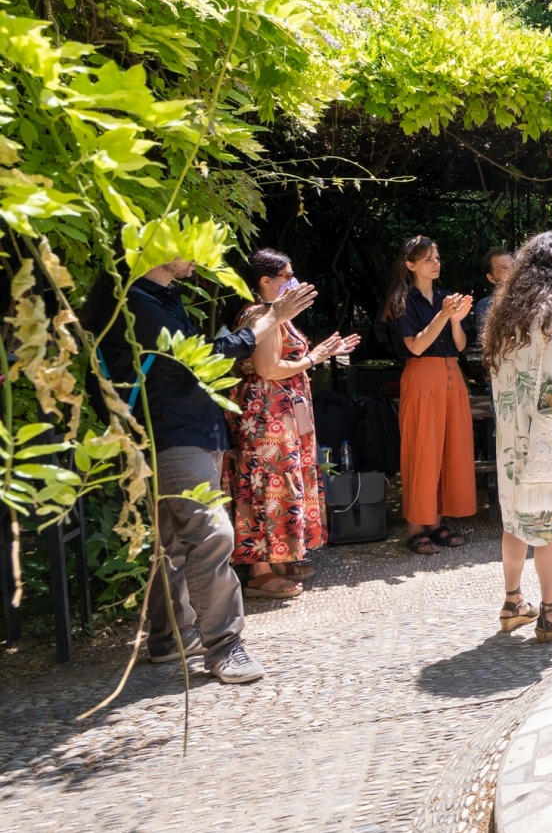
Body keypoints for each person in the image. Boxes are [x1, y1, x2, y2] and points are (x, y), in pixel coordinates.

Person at [98, 257, 318, 683]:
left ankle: (171, 638)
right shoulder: (136, 304)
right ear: (156, 248)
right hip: (171, 434)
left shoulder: (161, 297)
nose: (197, 255)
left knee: (173, 541)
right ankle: (224, 646)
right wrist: (273, 316)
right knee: (212, 533)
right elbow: (207, 358)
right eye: (185, 241)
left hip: (194, 430)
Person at [480, 231, 552, 642]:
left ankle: (513, 602)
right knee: (551, 523)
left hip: (512, 436)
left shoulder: (505, 313)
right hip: (548, 436)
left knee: (514, 518)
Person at [224, 249, 359, 600]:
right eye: (287, 276)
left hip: (279, 414)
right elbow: (268, 369)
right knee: (267, 485)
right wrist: (313, 358)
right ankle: (260, 572)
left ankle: (279, 558)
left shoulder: (276, 314)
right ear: (265, 281)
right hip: (266, 419)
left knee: (282, 483)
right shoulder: (261, 314)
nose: (293, 281)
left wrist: (322, 354)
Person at [382, 236, 476, 556]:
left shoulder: (446, 298)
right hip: (422, 376)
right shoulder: (402, 300)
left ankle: (435, 521)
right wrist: (444, 315)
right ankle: (415, 526)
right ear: (410, 265)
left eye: (437, 257)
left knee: (452, 448)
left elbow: (459, 345)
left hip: (452, 374)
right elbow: (417, 346)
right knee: (423, 449)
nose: (436, 263)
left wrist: (456, 320)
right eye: (428, 259)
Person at [469, 246, 514, 348]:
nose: (512, 271)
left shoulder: (532, 299)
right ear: (491, 278)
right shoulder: (485, 305)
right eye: (504, 268)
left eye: (514, 266)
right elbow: (489, 343)